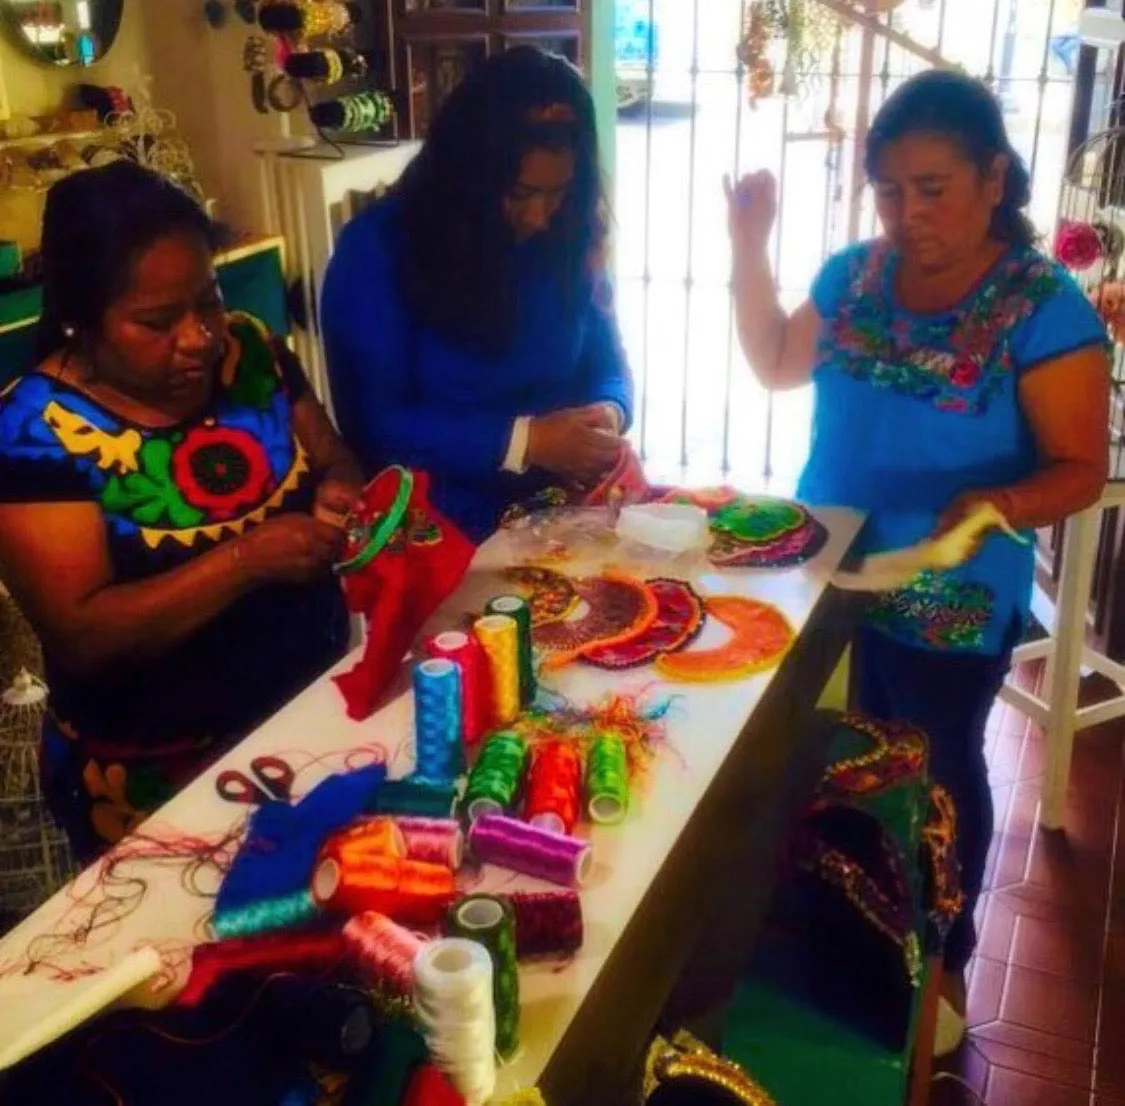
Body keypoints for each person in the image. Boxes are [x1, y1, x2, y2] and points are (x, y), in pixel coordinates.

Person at [726, 70, 1109, 1052]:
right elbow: (775, 360)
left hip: (951, 581)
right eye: (890, 190)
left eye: (933, 187)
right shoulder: (854, 275)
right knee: (825, 756)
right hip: (829, 564)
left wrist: (1004, 501)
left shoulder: (1039, 304)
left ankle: (938, 958)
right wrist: (748, 243)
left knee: (933, 772)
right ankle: (839, 934)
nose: (908, 213)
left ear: (993, 178)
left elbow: (1079, 466)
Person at [0, 162, 363, 862]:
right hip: (151, 778)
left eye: (209, 299)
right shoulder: (33, 434)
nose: (199, 336)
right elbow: (83, 633)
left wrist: (339, 488)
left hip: (310, 714)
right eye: (157, 322)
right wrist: (247, 560)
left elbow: (330, 453)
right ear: (79, 318)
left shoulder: (250, 349)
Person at [321, 46, 634, 543]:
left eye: (557, 193)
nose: (540, 217)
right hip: (439, 539)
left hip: (564, 521)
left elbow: (606, 359)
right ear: (468, 175)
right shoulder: (379, 250)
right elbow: (375, 424)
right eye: (520, 194)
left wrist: (607, 413)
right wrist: (526, 442)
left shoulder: (567, 235)